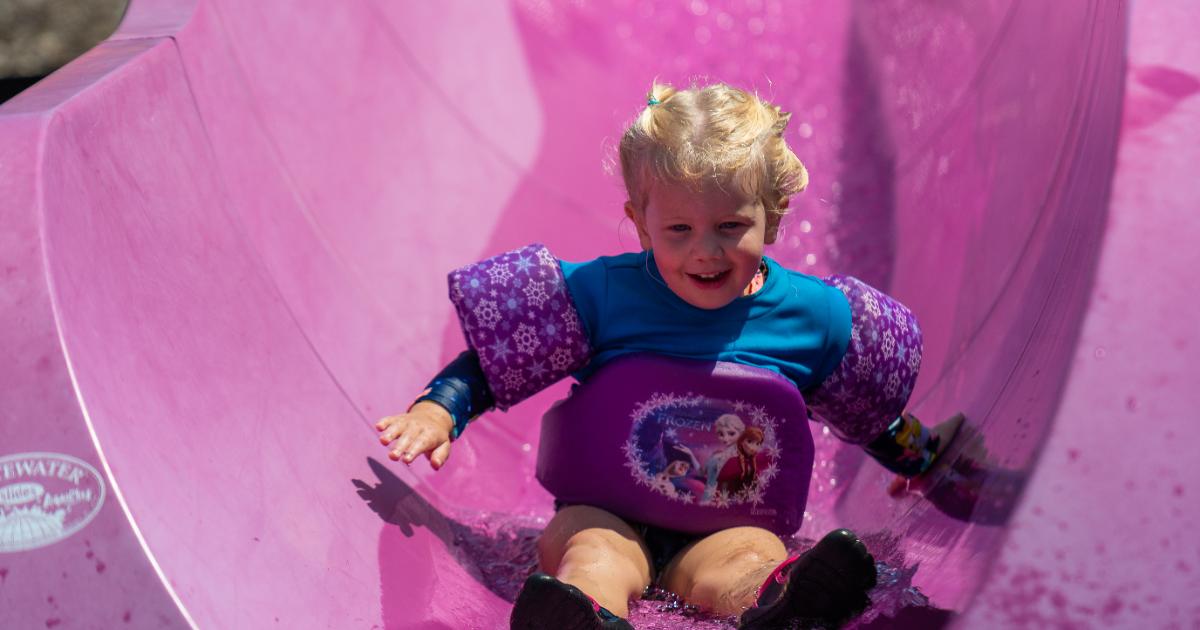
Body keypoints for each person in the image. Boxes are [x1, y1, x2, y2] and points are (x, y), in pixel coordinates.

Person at [376, 82, 961, 630]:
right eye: (679, 228)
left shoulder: (815, 318)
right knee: (592, 554)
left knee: (749, 561)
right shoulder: (601, 295)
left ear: (774, 215)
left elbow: (867, 414)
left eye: (730, 225)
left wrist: (925, 459)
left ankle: (783, 605)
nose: (705, 250)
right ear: (641, 224)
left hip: (727, 526)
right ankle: (585, 614)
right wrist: (440, 409)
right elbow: (500, 363)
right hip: (603, 511)